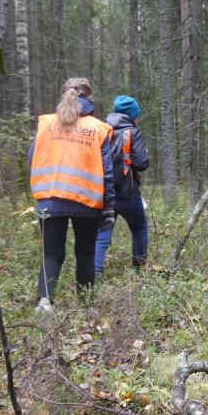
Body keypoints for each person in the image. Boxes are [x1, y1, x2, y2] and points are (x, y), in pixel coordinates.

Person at [28, 78, 115, 313]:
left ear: (63, 95)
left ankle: (44, 304)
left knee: (51, 254)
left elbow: (31, 159)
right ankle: (86, 307)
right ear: (90, 97)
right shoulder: (98, 128)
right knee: (85, 254)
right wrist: (108, 208)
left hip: (50, 199)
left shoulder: (46, 124)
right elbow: (107, 173)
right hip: (87, 202)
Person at [94, 95, 150, 274]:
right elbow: (142, 163)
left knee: (102, 234)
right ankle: (139, 270)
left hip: (104, 192)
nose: (138, 118)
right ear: (132, 116)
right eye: (137, 115)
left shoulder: (101, 130)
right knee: (140, 228)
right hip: (127, 193)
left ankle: (95, 274)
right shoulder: (132, 133)